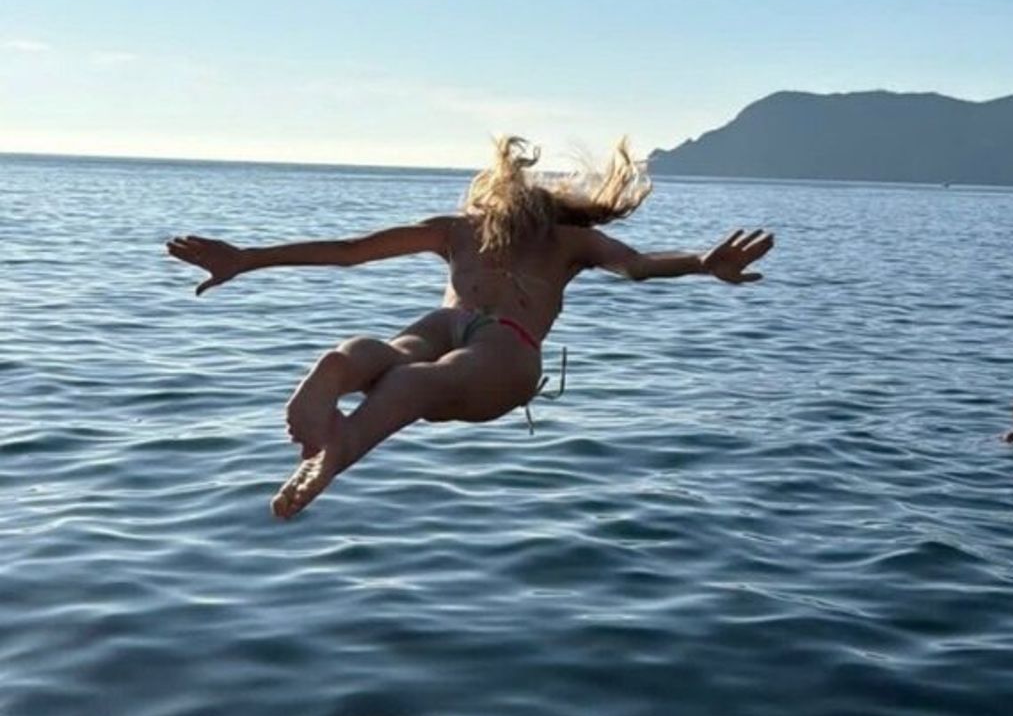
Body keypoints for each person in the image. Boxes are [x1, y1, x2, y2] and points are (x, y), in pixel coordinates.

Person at [167, 137, 774, 519]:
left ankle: (341, 446)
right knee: (372, 351)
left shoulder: (569, 241)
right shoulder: (458, 230)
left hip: (506, 353)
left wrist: (700, 263)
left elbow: (636, 267)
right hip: (450, 324)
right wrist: (247, 258)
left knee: (416, 381)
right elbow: (350, 250)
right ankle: (333, 386)